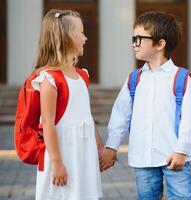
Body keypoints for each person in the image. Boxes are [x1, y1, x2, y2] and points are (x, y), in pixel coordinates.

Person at [101, 11, 191, 199]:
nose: (134, 44)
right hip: (142, 158)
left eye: (139, 39)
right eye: (133, 38)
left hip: (174, 156)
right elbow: (120, 115)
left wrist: (182, 150)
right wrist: (112, 147)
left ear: (160, 44)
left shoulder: (181, 78)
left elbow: (189, 118)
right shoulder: (134, 79)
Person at [32, 9, 103, 200]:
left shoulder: (82, 75)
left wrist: (100, 148)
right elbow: (47, 123)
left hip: (83, 153)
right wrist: (56, 163)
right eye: (81, 32)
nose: (85, 38)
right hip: (63, 153)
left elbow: (87, 118)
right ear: (66, 39)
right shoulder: (50, 79)